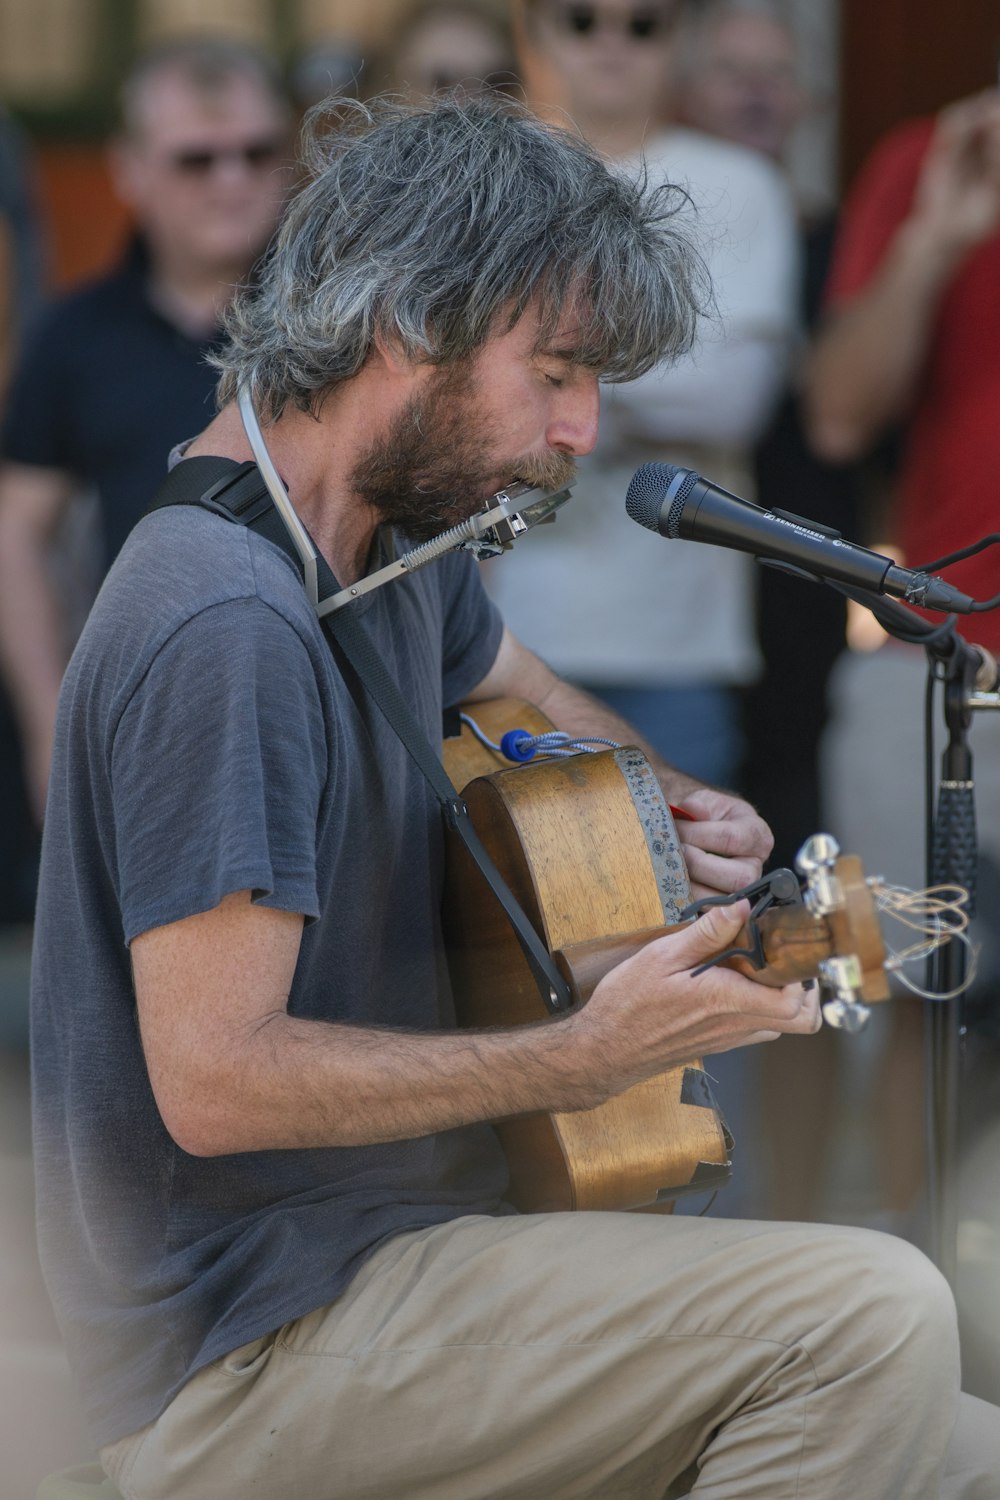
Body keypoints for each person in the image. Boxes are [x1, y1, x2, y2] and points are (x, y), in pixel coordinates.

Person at [30, 92, 1000, 1499]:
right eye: (553, 371)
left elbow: (516, 681)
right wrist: (582, 1055)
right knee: (871, 1315)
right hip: (248, 1353)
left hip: (414, 1265)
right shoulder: (224, 623)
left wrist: (656, 792)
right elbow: (217, 1081)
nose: (585, 425)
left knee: (968, 1454)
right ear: (407, 325)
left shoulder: (377, 546)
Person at [487, 0, 797, 795]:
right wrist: (663, 373)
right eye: (583, 20)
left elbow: (732, 400)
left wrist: (545, 369)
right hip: (503, 631)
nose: (613, 44)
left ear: (680, 39)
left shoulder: (739, 183)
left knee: (688, 899)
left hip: (677, 643)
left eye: (644, 24)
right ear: (538, 32)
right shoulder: (495, 177)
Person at [672, 0, 867, 1225]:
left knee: (809, 945)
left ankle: (799, 1221)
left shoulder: (833, 238)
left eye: (774, 77)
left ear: (806, 106)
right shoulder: (671, 223)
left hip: (804, 651)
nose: (753, 93)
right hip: (686, 629)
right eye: (727, 72)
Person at [0, 36, 292, 829]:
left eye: (256, 151)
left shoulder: (342, 322)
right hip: (141, 724)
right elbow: (16, 532)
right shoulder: (75, 335)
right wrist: (48, 724)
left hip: (325, 707)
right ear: (130, 169)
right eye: (196, 159)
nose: (232, 180)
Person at [805, 90, 1000, 1249]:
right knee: (906, 998)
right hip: (948, 667)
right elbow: (836, 416)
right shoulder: (928, 158)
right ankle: (908, 1306)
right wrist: (936, 234)